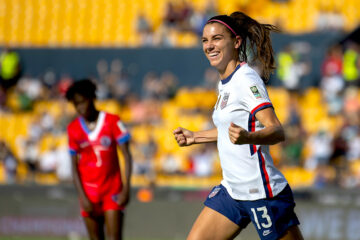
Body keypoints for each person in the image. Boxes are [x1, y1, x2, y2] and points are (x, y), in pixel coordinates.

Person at [173, 12, 304, 240]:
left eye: (216, 39)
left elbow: (277, 130)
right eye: (205, 40)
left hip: (261, 191)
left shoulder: (246, 80)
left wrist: (249, 138)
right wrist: (196, 137)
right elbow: (230, 130)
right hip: (232, 190)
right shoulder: (224, 82)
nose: (209, 46)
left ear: (236, 42)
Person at [66, 79, 132, 240]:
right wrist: (83, 197)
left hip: (112, 190)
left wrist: (126, 188)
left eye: (82, 102)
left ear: (92, 98)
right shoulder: (73, 129)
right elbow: (74, 168)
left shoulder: (112, 121)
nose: (80, 108)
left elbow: (126, 155)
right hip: (89, 193)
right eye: (76, 104)